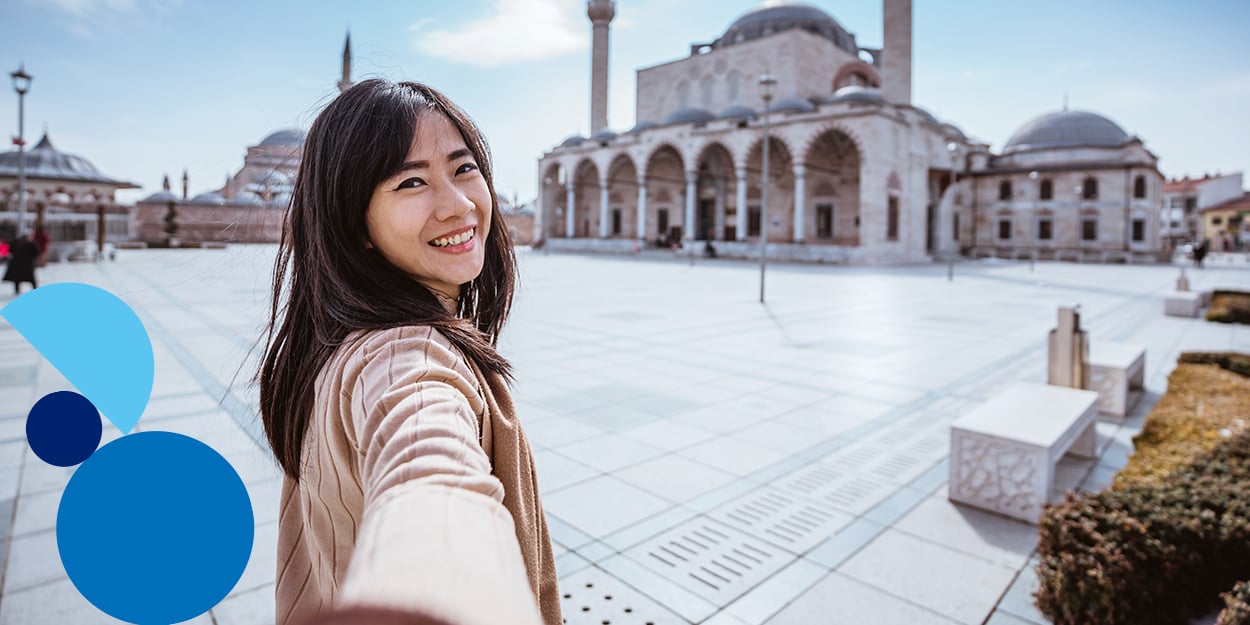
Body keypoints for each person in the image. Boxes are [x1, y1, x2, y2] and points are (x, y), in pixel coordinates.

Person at [258, 79, 560, 625]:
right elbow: (427, 459)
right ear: (357, 223)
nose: (458, 205)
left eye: (464, 169)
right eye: (412, 181)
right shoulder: (402, 357)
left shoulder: (338, 338)